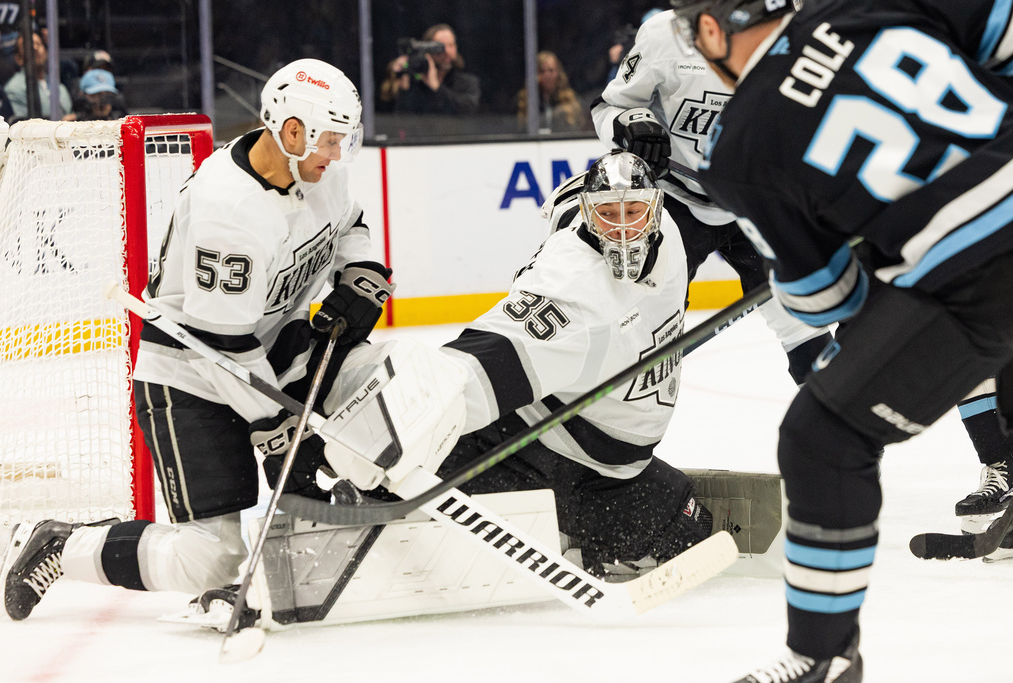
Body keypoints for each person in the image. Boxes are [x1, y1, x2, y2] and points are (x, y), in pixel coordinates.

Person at [668, 0, 1013, 680]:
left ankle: (820, 654)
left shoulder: (739, 144)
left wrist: (876, 267)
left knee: (823, 436)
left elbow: (829, 296)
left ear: (713, 30)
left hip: (981, 272)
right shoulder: (863, 4)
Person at [0, 58, 395, 621]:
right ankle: (60, 543)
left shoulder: (318, 170)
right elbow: (221, 348)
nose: (337, 155)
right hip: (190, 376)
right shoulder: (230, 211)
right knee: (211, 558)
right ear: (292, 130)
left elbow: (350, 225)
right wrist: (283, 433)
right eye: (329, 141)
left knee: (380, 383)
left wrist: (362, 272)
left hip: (274, 344)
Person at [323, 150, 715, 578]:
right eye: (607, 214)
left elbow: (565, 199)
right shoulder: (574, 296)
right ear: (589, 216)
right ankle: (384, 497)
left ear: (656, 207)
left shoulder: (670, 235)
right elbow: (475, 369)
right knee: (439, 436)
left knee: (690, 529)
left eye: (634, 211)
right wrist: (378, 432)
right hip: (539, 444)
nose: (622, 228)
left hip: (607, 462)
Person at [592, 9, 831, 386]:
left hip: (756, 200)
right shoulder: (663, 33)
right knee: (644, 339)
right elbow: (610, 107)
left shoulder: (801, 32)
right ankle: (624, 440)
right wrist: (631, 123)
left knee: (807, 333)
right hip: (675, 201)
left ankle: (838, 437)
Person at [379, 23, 480, 116]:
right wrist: (400, 77)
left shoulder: (467, 82)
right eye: (440, 47)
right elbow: (395, 117)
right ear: (427, 50)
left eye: (451, 45)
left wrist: (436, 87)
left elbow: (468, 111)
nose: (446, 51)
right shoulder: (416, 81)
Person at [3, 30, 71, 120]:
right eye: (28, 45)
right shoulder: (14, 88)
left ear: (46, 52)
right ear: (18, 59)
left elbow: (71, 115)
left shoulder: (59, 87)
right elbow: (24, 126)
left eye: (38, 44)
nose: (35, 48)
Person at [517, 51, 587, 133]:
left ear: (558, 73)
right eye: (542, 71)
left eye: (551, 70)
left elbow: (576, 129)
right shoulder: (525, 100)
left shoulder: (570, 100)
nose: (547, 75)